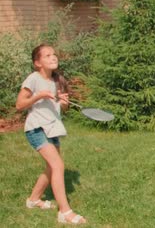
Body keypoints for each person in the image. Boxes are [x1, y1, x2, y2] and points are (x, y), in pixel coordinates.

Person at [16, 44, 86, 225]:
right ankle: (65, 212)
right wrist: (38, 96)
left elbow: (60, 107)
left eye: (54, 54)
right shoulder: (33, 78)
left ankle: (33, 199)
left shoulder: (57, 81)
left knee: (51, 167)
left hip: (53, 127)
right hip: (36, 128)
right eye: (47, 56)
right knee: (58, 165)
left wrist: (63, 103)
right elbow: (19, 105)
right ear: (37, 63)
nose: (53, 57)